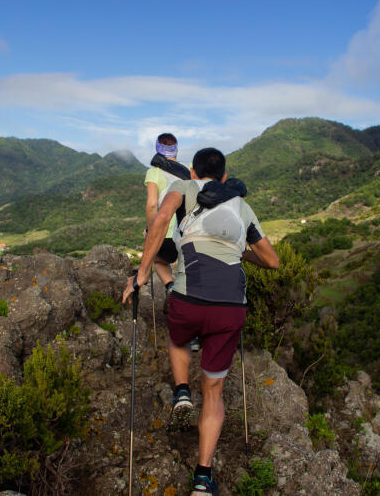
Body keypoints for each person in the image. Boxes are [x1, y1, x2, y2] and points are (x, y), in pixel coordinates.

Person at [123, 148, 279, 495]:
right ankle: (203, 478)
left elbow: (161, 218)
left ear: (193, 172)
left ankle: (181, 393)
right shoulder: (242, 205)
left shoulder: (183, 187)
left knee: (178, 337)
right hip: (230, 307)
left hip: (189, 299)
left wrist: (142, 273)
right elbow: (272, 261)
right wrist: (240, 251)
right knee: (215, 391)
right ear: (225, 176)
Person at [144, 133, 189, 310]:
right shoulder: (188, 169)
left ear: (157, 149)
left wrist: (150, 230)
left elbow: (152, 204)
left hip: (165, 233)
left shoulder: (154, 172)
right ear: (176, 149)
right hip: (188, 232)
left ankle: (171, 286)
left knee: (159, 260)